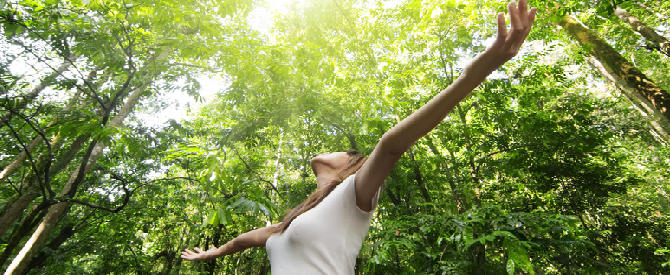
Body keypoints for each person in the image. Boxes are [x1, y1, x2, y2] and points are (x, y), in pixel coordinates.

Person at [181, 0, 537, 273]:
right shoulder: (289, 223)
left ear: (351, 166)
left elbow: (391, 145)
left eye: (343, 151)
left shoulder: (354, 194)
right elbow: (248, 239)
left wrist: (476, 73)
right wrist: (215, 251)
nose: (330, 150)